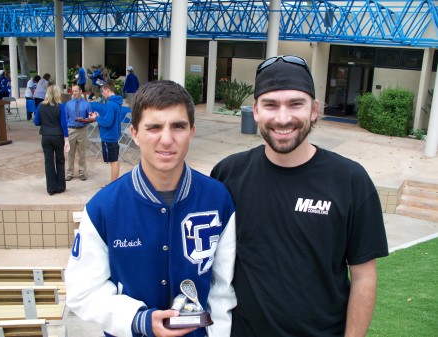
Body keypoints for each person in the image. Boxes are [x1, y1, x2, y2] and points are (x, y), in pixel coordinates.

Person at [210, 55, 389, 337]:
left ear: (314, 110)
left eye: (296, 104)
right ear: (255, 111)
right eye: (270, 105)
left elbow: (364, 276)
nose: (283, 118)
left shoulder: (350, 181)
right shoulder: (227, 174)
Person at [65, 80, 236, 337]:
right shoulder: (104, 207)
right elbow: (82, 291)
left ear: (191, 131)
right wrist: (138, 320)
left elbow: (223, 289)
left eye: (178, 126)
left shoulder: (217, 199)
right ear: (134, 133)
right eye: (154, 127)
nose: (166, 139)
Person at [34, 84, 69, 195]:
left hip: (45, 136)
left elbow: (36, 122)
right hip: (58, 136)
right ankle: (60, 186)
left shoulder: (40, 106)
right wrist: (66, 138)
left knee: (48, 162)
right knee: (60, 160)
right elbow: (64, 124)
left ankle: (51, 187)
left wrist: (45, 122)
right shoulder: (61, 106)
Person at [90, 82, 122, 183]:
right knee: (115, 161)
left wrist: (96, 118)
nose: (102, 94)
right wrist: (99, 116)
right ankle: (113, 183)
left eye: (103, 91)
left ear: (108, 90)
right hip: (113, 135)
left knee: (113, 162)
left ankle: (112, 184)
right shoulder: (116, 103)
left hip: (109, 136)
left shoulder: (111, 104)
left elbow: (107, 123)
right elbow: (109, 119)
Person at [65, 84, 92, 182]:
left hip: (82, 130)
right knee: (70, 153)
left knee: (82, 152)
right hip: (71, 130)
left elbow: (91, 118)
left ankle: (82, 172)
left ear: (80, 91)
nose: (74, 93)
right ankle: (69, 172)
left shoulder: (86, 104)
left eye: (76, 91)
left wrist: (84, 120)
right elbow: (66, 118)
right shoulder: (68, 104)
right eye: (73, 91)